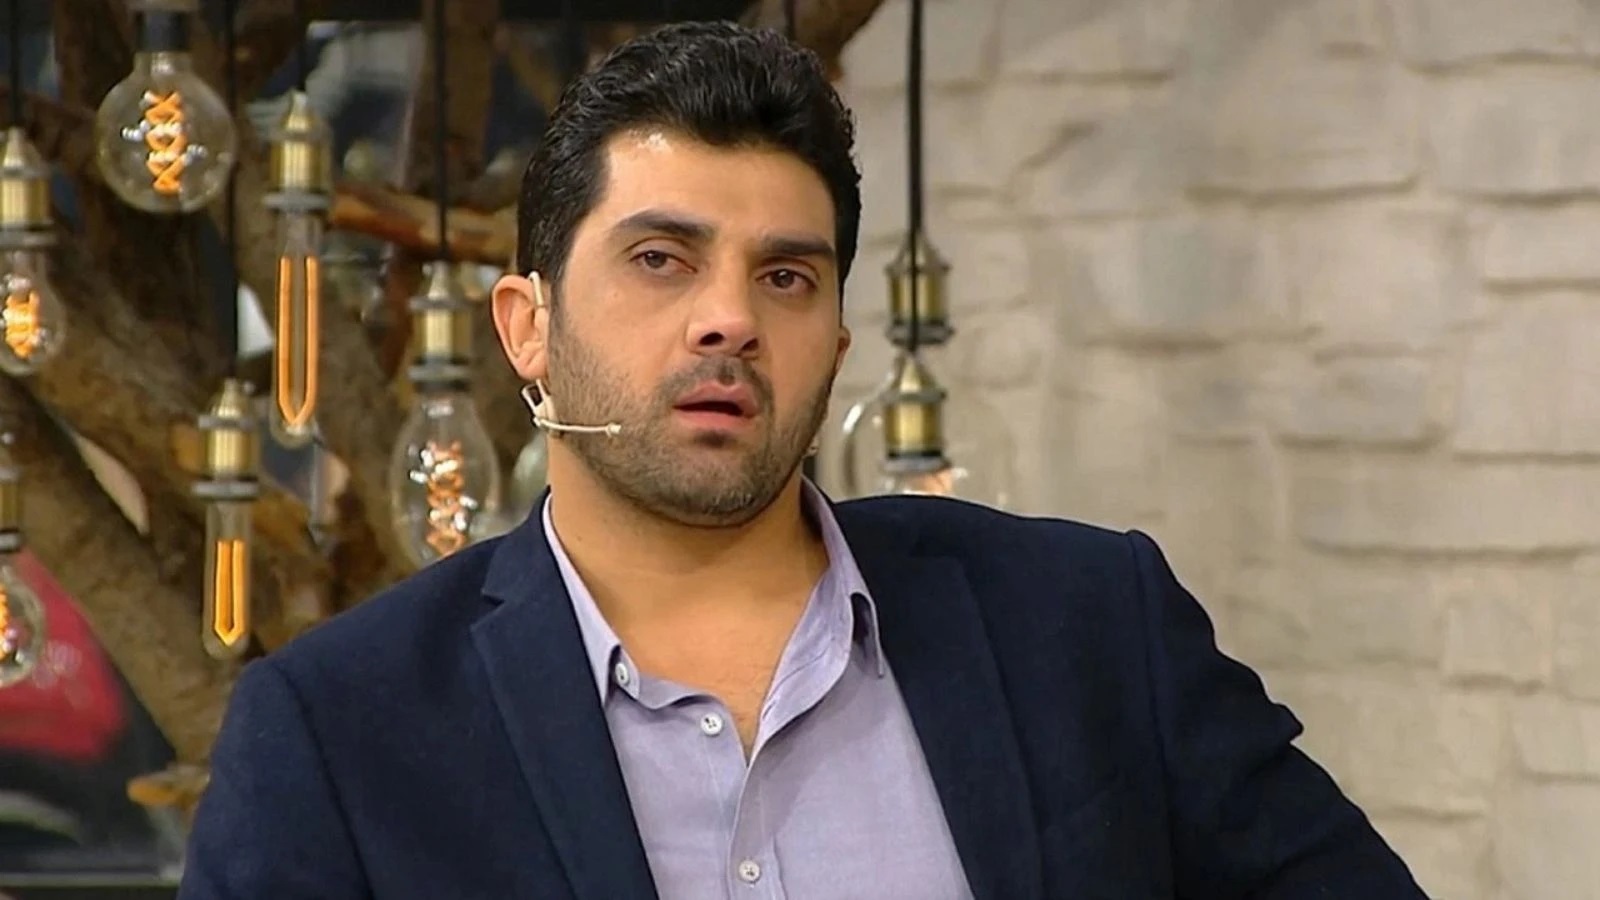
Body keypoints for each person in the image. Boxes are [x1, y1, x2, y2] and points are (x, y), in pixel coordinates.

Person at [179, 21, 1428, 900]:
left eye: (784, 276)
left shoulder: (1092, 627)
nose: (728, 319)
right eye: (661, 260)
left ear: (832, 343)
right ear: (527, 329)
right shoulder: (339, 733)